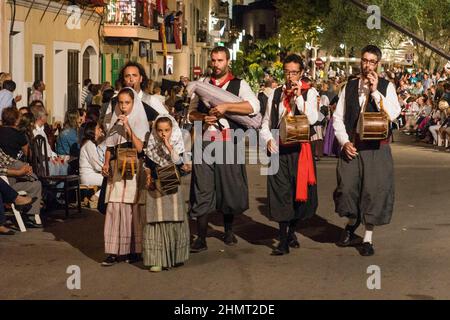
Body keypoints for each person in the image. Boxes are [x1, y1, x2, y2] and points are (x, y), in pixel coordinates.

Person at [188, 46, 260, 252]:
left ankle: (228, 231)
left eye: (220, 60)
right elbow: (191, 114)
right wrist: (204, 117)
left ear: (228, 61)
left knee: (228, 188)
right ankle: (201, 238)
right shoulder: (202, 84)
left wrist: (226, 107)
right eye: (213, 60)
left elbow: (253, 107)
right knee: (202, 188)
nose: (216, 64)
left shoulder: (239, 84)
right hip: (205, 142)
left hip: (229, 142)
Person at [332, 45, 401, 256]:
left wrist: (374, 91)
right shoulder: (349, 87)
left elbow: (393, 113)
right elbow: (338, 117)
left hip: (376, 149)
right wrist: (344, 142)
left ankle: (368, 239)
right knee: (347, 188)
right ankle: (352, 223)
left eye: (371, 61)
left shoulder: (387, 87)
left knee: (373, 192)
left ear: (377, 64)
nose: (367, 65)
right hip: (353, 146)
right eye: (364, 60)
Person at [260, 54, 319, 255]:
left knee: (299, 197)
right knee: (280, 194)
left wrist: (298, 97)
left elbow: (312, 118)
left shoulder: (310, 93)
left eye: (294, 72)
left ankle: (292, 230)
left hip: (301, 151)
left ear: (301, 73)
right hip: (279, 149)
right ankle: (283, 240)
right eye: (287, 72)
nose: (290, 76)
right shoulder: (275, 94)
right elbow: (266, 123)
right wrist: (267, 139)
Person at [100, 87, 149, 266]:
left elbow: (140, 147)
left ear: (133, 103)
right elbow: (110, 145)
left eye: (127, 102)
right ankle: (113, 251)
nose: (123, 106)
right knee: (114, 207)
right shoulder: (114, 119)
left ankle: (134, 250)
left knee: (132, 209)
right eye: (120, 103)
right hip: (117, 167)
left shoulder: (139, 120)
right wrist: (105, 163)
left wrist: (128, 127)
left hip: (134, 166)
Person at [142, 115, 190, 272]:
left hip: (173, 187)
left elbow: (180, 163)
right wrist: (148, 176)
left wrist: (169, 146)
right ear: (155, 131)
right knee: (156, 220)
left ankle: (175, 256)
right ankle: (157, 259)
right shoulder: (152, 145)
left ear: (172, 130)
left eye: (167, 130)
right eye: (160, 130)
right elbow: (147, 164)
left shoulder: (178, 144)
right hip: (156, 188)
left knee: (174, 219)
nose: (163, 134)